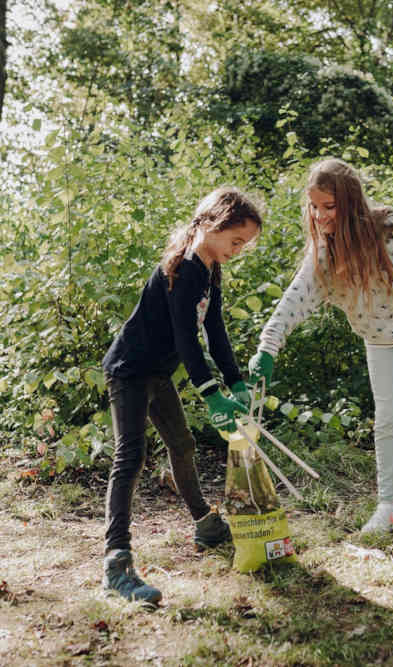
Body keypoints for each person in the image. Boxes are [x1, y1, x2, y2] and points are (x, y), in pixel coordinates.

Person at [247, 158, 393, 535]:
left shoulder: (388, 226)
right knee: (386, 420)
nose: (320, 216)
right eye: (314, 206)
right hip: (377, 338)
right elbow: (295, 298)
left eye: (329, 206)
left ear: (350, 201)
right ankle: (389, 507)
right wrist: (268, 346)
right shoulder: (325, 253)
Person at [99, 186, 263, 603]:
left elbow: (215, 329)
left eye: (244, 245)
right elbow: (185, 336)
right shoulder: (185, 267)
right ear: (213, 223)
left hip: (157, 372)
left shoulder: (208, 269)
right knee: (130, 456)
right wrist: (210, 393)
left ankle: (205, 525)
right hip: (129, 371)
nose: (238, 250)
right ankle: (116, 563)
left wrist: (235, 379)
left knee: (183, 445)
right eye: (236, 240)